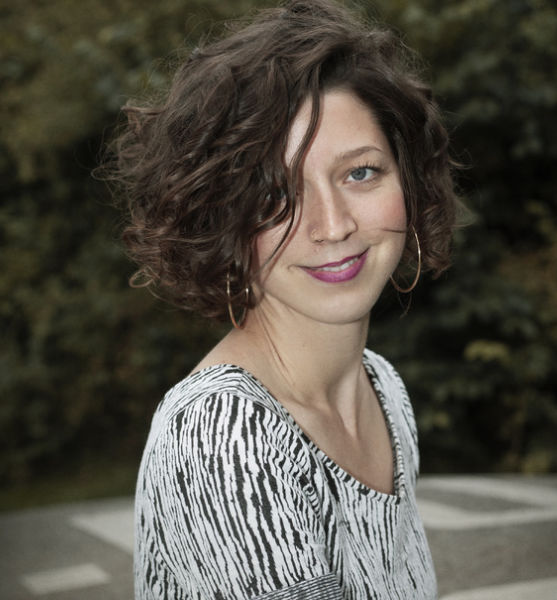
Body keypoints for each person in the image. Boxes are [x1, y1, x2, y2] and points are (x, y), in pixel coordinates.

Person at [114, 0, 458, 597]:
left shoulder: (382, 387)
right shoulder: (222, 435)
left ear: (408, 178)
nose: (333, 225)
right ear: (222, 219)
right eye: (277, 194)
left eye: (360, 172)